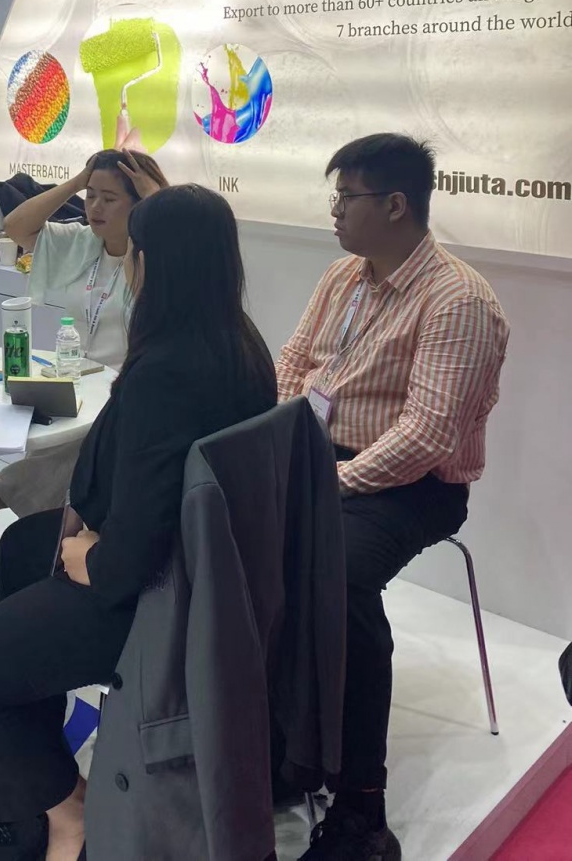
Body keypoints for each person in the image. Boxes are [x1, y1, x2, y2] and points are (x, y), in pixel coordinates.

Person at [0, 185, 278, 861]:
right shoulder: (241, 347)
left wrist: (89, 555)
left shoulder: (165, 374)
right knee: (23, 545)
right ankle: (22, 769)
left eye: (132, 252)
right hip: (209, 576)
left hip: (154, 596)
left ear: (153, 264)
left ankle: (68, 810)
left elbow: (129, 554)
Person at [274, 134, 509, 861]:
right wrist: (280, 452)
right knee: (233, 537)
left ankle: (361, 809)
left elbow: (427, 435)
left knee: (337, 576)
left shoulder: (459, 300)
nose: (335, 211)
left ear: (396, 204)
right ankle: (287, 748)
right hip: (322, 461)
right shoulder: (343, 275)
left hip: (414, 486)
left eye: (347, 197)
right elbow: (295, 362)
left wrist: (324, 486)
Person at [0, 150, 167, 528]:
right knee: (42, 423)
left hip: (131, 389)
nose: (95, 207)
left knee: (89, 440)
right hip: (80, 378)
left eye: (109, 198)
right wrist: (76, 182)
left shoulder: (156, 258)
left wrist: (157, 197)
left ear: (139, 204)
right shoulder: (84, 242)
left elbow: (182, 234)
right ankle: (25, 516)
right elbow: (14, 227)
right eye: (91, 195)